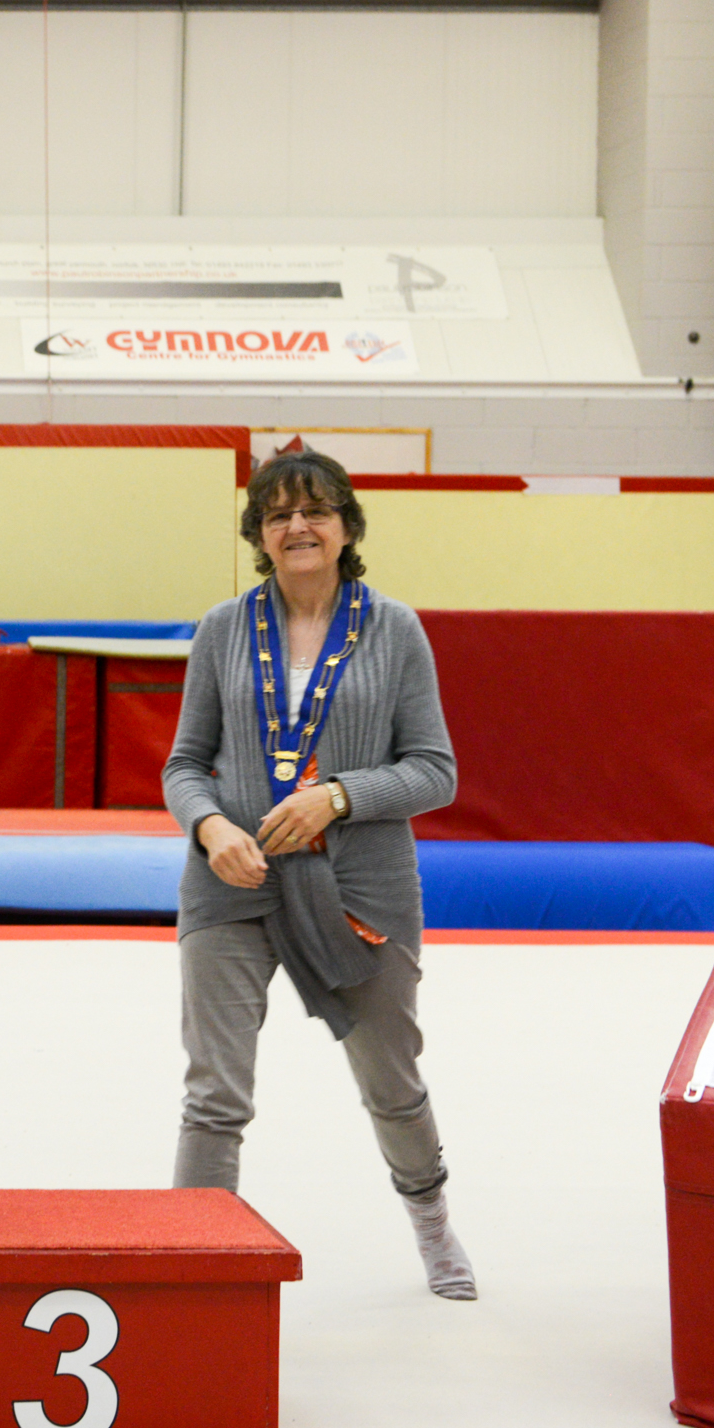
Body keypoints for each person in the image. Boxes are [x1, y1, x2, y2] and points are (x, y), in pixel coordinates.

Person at [161, 448, 475, 1300]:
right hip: (233, 879)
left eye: (315, 511)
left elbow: (435, 771)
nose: (297, 526)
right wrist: (211, 826)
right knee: (213, 1091)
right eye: (278, 515)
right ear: (260, 535)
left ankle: (432, 1222)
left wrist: (338, 797)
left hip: (358, 886)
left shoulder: (395, 629)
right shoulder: (223, 628)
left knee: (391, 1080)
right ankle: (191, 1266)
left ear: (346, 527)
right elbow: (185, 765)